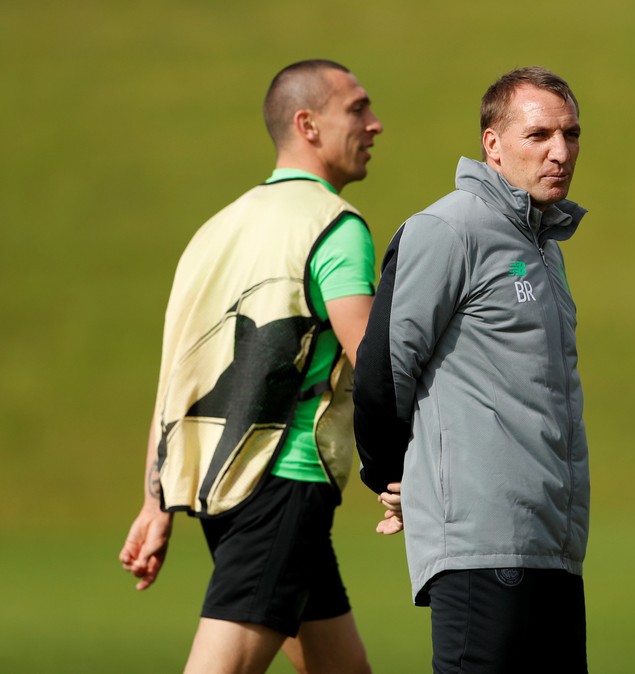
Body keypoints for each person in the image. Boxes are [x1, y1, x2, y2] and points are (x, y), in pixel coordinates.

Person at [119, 59, 382, 674]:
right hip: (282, 484)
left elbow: (178, 376)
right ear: (307, 124)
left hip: (221, 489)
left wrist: (156, 503)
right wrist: (406, 471)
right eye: (358, 109)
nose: (375, 125)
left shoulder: (215, 231)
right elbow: (374, 364)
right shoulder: (334, 227)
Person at [353, 66, 590, 673]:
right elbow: (383, 369)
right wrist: (387, 474)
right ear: (492, 143)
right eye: (539, 135)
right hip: (482, 546)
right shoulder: (448, 229)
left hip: (552, 545)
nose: (559, 152)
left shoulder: (544, 246)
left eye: (570, 134)